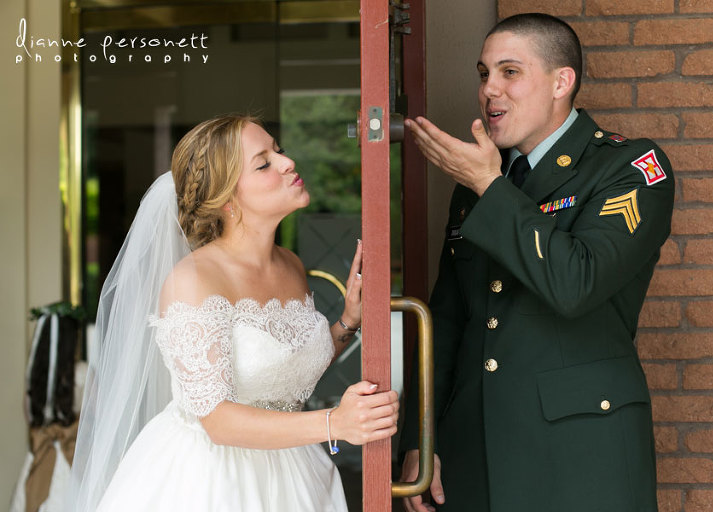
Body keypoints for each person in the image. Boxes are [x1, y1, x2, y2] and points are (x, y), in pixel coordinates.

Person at [399, 13, 674, 512]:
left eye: (510, 72)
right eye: (484, 73)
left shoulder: (629, 168)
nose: (490, 90)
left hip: (580, 454)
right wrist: (422, 436)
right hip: (473, 449)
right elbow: (448, 320)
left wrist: (489, 186)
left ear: (561, 81)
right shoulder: (483, 181)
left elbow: (577, 282)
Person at [67, 114, 399, 511]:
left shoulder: (290, 265)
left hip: (292, 473)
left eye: (278, 151)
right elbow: (218, 420)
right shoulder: (193, 280)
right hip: (211, 479)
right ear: (227, 200)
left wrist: (348, 321)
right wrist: (335, 423)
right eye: (264, 163)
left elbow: (284, 372)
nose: (287, 162)